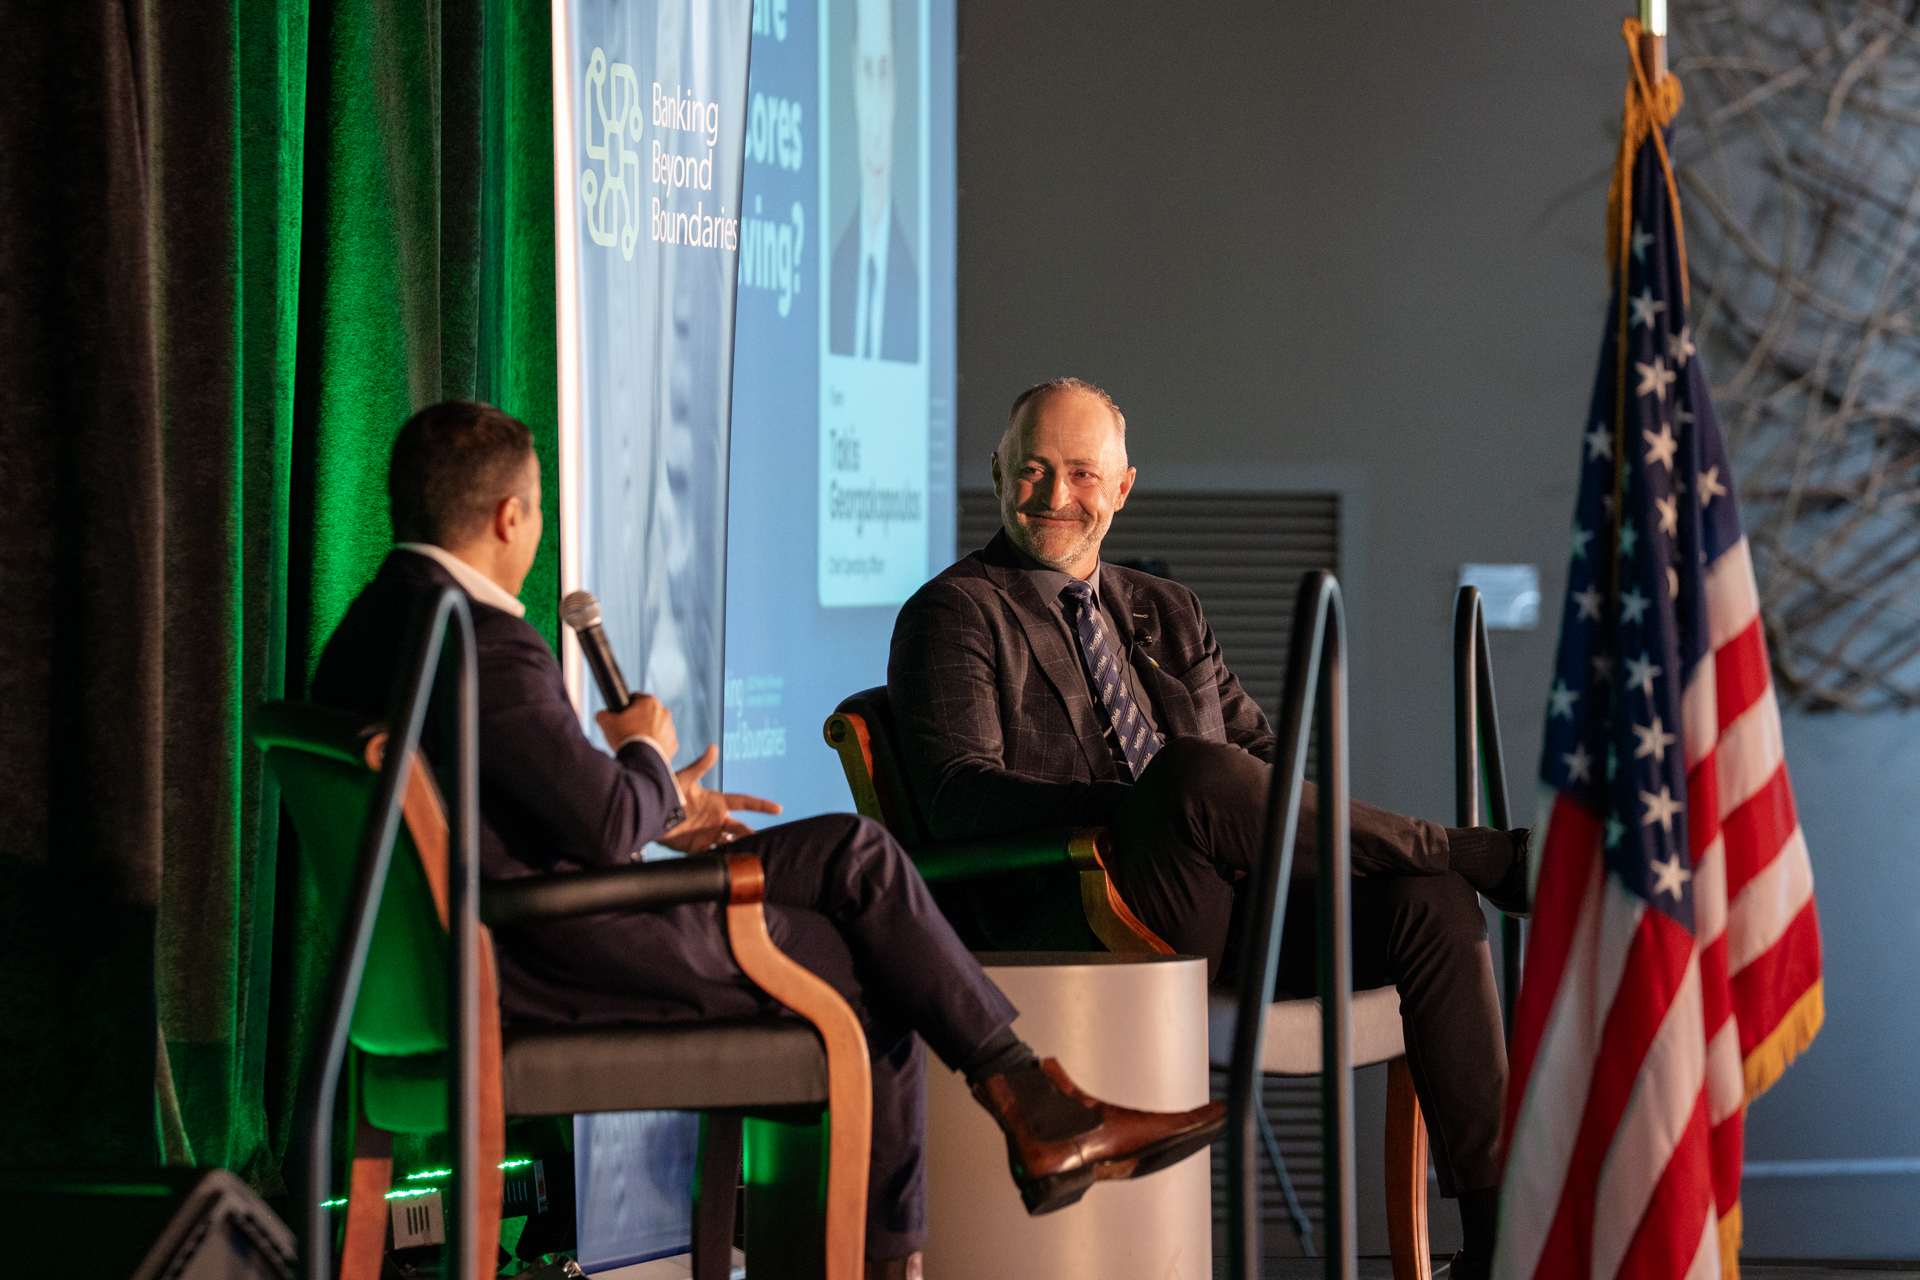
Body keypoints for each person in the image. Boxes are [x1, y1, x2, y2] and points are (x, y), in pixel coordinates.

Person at [311, 401, 1225, 1280]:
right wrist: (642, 752)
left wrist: (663, 804)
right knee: (875, 936)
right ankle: (997, 1147)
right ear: (511, 516)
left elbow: (527, 808)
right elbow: (601, 826)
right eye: (540, 511)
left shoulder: (368, 629)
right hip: (552, 953)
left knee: (859, 875)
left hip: (478, 951)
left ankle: (1028, 1114)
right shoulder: (481, 641)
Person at [886, 377, 1531, 1280]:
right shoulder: (955, 611)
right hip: (1079, 904)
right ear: (998, 473)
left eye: (1081, 473)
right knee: (1191, 773)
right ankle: (1468, 847)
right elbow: (960, 796)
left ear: (1122, 487)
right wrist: (1148, 802)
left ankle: (1501, 1245)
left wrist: (1207, 806)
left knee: (1434, 903)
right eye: (1032, 470)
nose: (1054, 495)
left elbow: (1263, 761)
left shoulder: (1167, 608)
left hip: (1226, 901)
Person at [829, 0, 918, 362]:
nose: (876, 126)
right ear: (853, 73)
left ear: (896, 80)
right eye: (867, 70)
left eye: (884, 72)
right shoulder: (835, 270)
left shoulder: (914, 283)